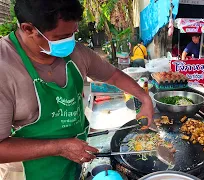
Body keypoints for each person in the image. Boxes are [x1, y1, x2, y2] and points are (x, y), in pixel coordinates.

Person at [0, 1, 154, 180]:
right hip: (27, 173)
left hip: (72, 165)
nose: (69, 43)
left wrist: (144, 98)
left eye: (72, 34)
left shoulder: (77, 53)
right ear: (28, 29)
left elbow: (112, 75)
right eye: (61, 37)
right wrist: (60, 147)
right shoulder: (5, 69)